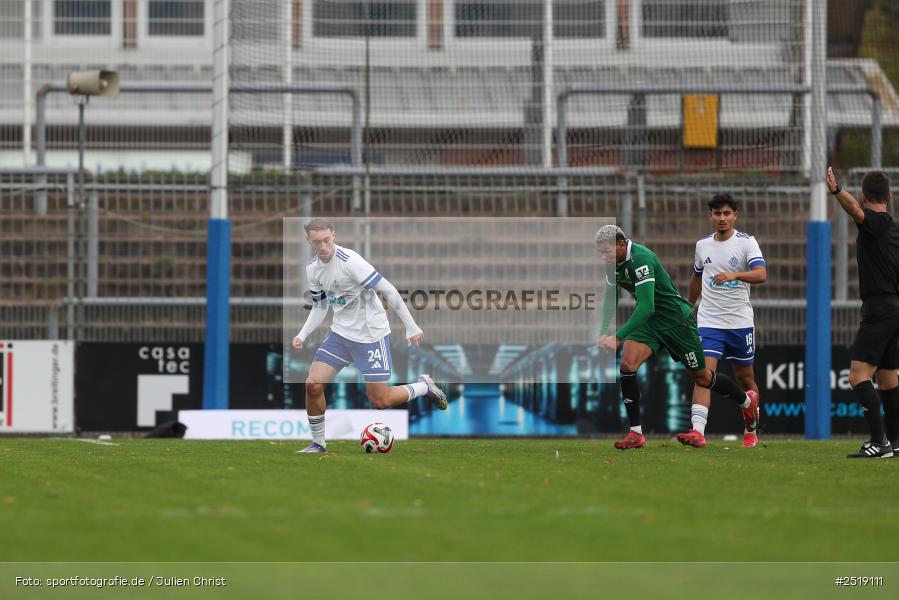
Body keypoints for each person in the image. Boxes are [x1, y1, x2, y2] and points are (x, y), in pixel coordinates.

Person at [596, 225, 759, 450]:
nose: (604, 257)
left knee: (703, 377)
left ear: (621, 244)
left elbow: (646, 307)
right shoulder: (612, 264)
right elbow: (610, 295)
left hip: (675, 323)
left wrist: (618, 337)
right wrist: (604, 330)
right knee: (627, 364)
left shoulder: (641, 259)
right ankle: (636, 433)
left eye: (607, 251)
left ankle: (747, 402)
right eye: (601, 253)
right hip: (652, 324)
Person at [292, 218, 447, 454]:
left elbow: (388, 290)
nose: (323, 246)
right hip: (340, 335)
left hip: (371, 336)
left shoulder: (350, 261)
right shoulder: (312, 268)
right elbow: (320, 306)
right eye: (317, 242)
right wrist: (302, 334)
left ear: (333, 235)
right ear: (308, 241)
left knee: (380, 401)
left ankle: (424, 387)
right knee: (313, 385)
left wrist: (411, 326)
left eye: (326, 240)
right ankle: (319, 444)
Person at [677, 194, 766, 449]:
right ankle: (697, 432)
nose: (722, 218)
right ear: (711, 216)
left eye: (727, 213)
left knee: (746, 378)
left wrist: (735, 275)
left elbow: (761, 274)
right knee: (703, 374)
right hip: (710, 321)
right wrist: (689, 306)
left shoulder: (747, 243)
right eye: (717, 214)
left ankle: (751, 429)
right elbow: (696, 278)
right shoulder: (702, 245)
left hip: (739, 321)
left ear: (735, 215)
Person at [827, 167, 899, 458]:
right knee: (888, 379)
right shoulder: (894, 228)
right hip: (894, 308)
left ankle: (878, 442)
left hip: (879, 309)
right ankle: (895, 442)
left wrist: (835, 191)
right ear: (890, 196)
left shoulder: (877, 223)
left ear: (864, 195)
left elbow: (856, 211)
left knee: (858, 376)